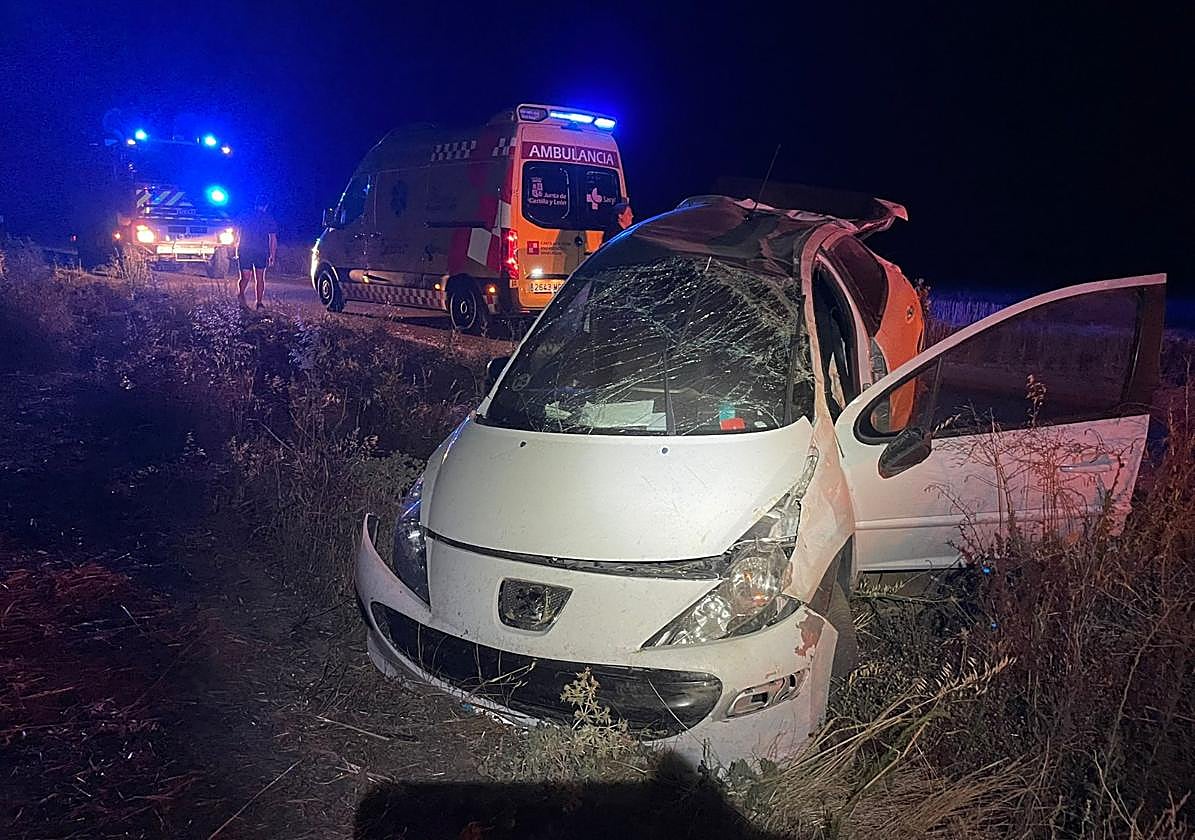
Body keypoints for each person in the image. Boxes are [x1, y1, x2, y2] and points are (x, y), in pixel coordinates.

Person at [236, 194, 278, 309]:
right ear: (266, 206)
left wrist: (237, 247)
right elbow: (273, 238)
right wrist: (272, 255)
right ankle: (259, 303)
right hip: (261, 251)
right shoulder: (269, 218)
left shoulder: (246, 215)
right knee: (260, 278)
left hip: (245, 250)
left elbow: (238, 231)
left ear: (255, 204)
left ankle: (240, 295)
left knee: (245, 277)